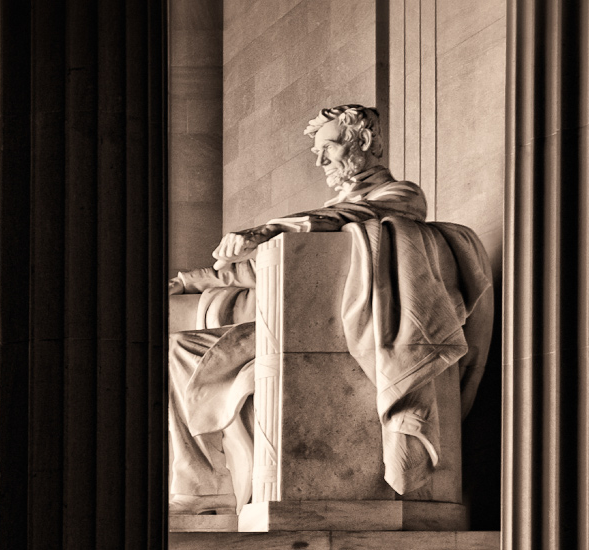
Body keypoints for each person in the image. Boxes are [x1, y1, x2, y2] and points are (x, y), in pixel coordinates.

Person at [165, 104, 480, 515]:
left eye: (327, 147)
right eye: (317, 152)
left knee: (191, 353)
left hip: (337, 331)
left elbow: (353, 215)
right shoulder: (326, 215)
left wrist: (269, 229)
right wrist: (187, 282)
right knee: (177, 349)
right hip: (293, 326)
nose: (320, 161)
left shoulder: (397, 196)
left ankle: (208, 488)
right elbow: (249, 270)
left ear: (362, 141)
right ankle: (203, 488)